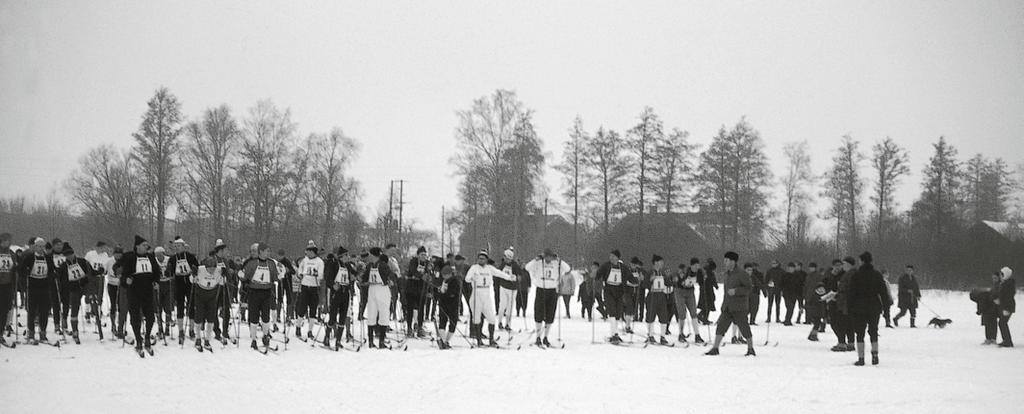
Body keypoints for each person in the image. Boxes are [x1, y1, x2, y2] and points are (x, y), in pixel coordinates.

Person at [705, 251, 755, 357]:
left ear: (733, 261)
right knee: (721, 327)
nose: (724, 262)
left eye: (726, 260)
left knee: (744, 328)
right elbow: (726, 292)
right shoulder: (727, 274)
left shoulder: (742, 274)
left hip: (739, 307)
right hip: (727, 306)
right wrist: (723, 305)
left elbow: (749, 288)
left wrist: (736, 291)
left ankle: (751, 348)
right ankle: (715, 348)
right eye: (724, 260)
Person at [119, 235, 161, 356]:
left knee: (150, 316)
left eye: (146, 245)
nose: (146, 247)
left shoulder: (150, 257)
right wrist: (126, 280)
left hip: (148, 290)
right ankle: (138, 339)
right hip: (134, 291)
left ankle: (147, 337)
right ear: (137, 246)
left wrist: (156, 282)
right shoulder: (131, 257)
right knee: (135, 316)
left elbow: (156, 272)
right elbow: (124, 274)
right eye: (144, 245)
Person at [466, 250, 517, 347]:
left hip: (486, 294)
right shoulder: (474, 268)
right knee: (476, 318)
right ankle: (478, 340)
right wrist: (473, 278)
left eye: (483, 258)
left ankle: (491, 339)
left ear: (486, 260)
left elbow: (499, 273)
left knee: (492, 318)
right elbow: (467, 279)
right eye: (479, 258)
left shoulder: (489, 268)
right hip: (477, 294)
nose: (481, 260)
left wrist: (510, 277)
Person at [847, 252, 890, 366]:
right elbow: (884, 293)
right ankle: (875, 354)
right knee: (873, 331)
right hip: (874, 307)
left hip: (859, 307)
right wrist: (885, 309)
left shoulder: (856, 275)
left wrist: (849, 307)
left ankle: (861, 358)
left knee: (860, 333)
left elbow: (851, 293)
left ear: (861, 261)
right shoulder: (877, 275)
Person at [240, 243, 280, 351]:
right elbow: (244, 275)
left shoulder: (271, 263)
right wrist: (243, 277)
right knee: (254, 316)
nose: (268, 253)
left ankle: (266, 336)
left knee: (266, 316)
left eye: (269, 251)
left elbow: (275, 276)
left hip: (267, 292)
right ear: (261, 252)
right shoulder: (252, 263)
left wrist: (279, 276)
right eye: (267, 251)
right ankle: (253, 339)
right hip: (254, 292)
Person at [18, 237, 56, 345]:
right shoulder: (30, 257)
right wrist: (25, 271)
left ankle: (43, 333)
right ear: (35, 247)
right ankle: (31, 333)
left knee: (44, 311)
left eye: (42, 246)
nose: (41, 248)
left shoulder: (48, 258)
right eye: (39, 246)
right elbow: (21, 270)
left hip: (44, 286)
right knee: (32, 310)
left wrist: (53, 275)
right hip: (33, 286)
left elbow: (52, 270)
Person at [56, 244, 95, 344]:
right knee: (74, 310)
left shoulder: (82, 261)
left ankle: (92, 316)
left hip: (85, 287)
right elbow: (62, 280)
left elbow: (91, 272)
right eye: (67, 255)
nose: (70, 256)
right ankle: (75, 331)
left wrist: (98, 272)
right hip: (73, 290)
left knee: (92, 300)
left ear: (74, 253)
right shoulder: (64, 266)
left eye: (71, 254)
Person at [596, 249, 637, 344]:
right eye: (610, 256)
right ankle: (614, 334)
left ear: (618, 258)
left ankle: (615, 334)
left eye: (613, 256)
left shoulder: (623, 267)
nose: (611, 258)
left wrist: (636, 281)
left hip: (619, 291)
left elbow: (630, 277)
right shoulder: (606, 265)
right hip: (609, 290)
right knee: (612, 311)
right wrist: (595, 275)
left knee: (618, 312)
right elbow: (598, 275)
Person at [360, 247, 397, 349]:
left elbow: (391, 276)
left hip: (382, 289)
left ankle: (381, 341)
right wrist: (362, 281)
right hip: (372, 289)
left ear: (373, 255)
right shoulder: (370, 266)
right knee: (371, 314)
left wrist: (390, 281)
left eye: (370, 255)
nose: (369, 257)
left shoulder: (383, 265)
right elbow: (364, 278)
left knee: (384, 314)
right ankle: (371, 341)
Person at [169, 237, 199, 344]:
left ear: (183, 246)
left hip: (189, 283)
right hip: (179, 284)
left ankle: (191, 329)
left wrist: (195, 271)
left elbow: (197, 268)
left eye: (178, 246)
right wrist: (169, 271)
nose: (177, 248)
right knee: (180, 306)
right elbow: (170, 272)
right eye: (175, 247)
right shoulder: (172, 258)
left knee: (191, 306)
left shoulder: (190, 257)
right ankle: (181, 330)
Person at [324, 247, 356, 348]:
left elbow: (353, 275)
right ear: (342, 256)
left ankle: (338, 340)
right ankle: (327, 337)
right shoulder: (334, 264)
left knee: (343, 317)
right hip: (336, 293)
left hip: (345, 292)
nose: (348, 257)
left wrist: (355, 276)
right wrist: (332, 285)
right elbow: (328, 277)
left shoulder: (347, 266)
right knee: (332, 317)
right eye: (346, 255)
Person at [191, 257, 223, 351]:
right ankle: (198, 338)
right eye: (210, 268)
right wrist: (193, 275)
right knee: (199, 316)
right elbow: (191, 280)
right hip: (200, 295)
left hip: (212, 296)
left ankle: (207, 339)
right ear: (206, 267)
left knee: (211, 318)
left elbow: (222, 283)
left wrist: (224, 275)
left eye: (213, 268)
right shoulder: (200, 269)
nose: (212, 270)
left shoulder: (218, 271)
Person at [671, 258, 704, 344]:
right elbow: (677, 281)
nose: (697, 267)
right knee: (682, 313)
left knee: (694, 313)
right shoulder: (685, 271)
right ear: (692, 265)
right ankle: (681, 334)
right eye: (695, 265)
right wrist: (680, 281)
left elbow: (701, 282)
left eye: (698, 265)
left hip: (690, 292)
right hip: (680, 292)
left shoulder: (699, 272)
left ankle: (697, 335)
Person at [296, 241, 324, 340]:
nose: (306, 252)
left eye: (308, 251)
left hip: (314, 287)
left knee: (313, 309)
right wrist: (300, 274)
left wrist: (316, 274)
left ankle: (310, 331)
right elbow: (300, 269)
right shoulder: (305, 260)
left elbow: (321, 275)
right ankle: (298, 327)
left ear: (312, 252)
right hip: (304, 286)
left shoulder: (319, 261)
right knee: (302, 309)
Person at [433, 258, 462, 349]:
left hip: (453, 305)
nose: (444, 276)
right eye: (443, 275)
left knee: (453, 324)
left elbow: (452, 294)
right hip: (443, 305)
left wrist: (441, 295)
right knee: (442, 322)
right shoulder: (443, 281)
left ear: (450, 274)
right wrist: (437, 295)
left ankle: (446, 341)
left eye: (446, 275)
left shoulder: (455, 281)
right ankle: (443, 340)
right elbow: (441, 291)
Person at [643, 255, 672, 345]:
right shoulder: (649, 272)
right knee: (650, 316)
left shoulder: (662, 273)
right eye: (660, 262)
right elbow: (644, 284)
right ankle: (650, 335)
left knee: (664, 316)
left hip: (661, 296)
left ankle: (662, 337)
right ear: (655, 262)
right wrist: (651, 280)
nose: (662, 264)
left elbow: (668, 283)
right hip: (652, 296)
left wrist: (671, 280)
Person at [404, 246, 431, 337]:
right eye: (422, 254)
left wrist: (428, 277)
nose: (424, 256)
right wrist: (420, 276)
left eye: (425, 254)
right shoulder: (414, 261)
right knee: (410, 309)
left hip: (422, 289)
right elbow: (413, 270)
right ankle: (409, 328)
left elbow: (429, 274)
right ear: (418, 255)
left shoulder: (427, 263)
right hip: (411, 288)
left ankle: (419, 327)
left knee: (421, 310)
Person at [495, 248, 524, 331]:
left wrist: (517, 278)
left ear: (509, 257)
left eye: (506, 257)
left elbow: (520, 276)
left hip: (512, 289)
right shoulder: (503, 264)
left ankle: (507, 324)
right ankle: (500, 322)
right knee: (502, 305)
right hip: (503, 287)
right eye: (504, 257)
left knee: (510, 307)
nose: (505, 259)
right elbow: (498, 273)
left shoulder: (515, 265)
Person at [970, 272, 1001, 345]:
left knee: (991, 323)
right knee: (989, 323)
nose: (994, 279)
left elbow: (996, 295)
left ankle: (991, 339)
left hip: (993, 307)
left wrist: (980, 311)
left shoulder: (1000, 285)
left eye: (995, 278)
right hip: (989, 307)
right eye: (993, 278)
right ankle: (990, 338)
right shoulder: (994, 286)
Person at [0, 233, 17, 345]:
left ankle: (0, 333)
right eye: (6, 240)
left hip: (7, 285)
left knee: (5, 310)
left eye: (9, 240)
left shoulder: (11, 253)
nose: (8, 242)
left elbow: (14, 267)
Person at [803, 262, 827, 341]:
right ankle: (813, 333)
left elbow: (821, 287)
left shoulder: (819, 276)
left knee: (817, 316)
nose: (810, 269)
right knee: (815, 317)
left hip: (817, 299)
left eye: (812, 267)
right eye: (810, 267)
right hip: (809, 298)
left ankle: (814, 333)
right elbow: (806, 286)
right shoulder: (808, 276)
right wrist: (805, 296)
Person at [995, 267, 1015, 347]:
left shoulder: (1008, 284)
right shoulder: (1005, 283)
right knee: (1002, 323)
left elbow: (1008, 297)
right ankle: (1006, 340)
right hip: (1005, 306)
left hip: (1008, 306)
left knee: (1002, 323)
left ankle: (1007, 341)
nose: (1001, 276)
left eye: (1002, 274)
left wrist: (1006, 308)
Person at [696, 258, 718, 325]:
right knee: (706, 305)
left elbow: (712, 279)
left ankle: (704, 318)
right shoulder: (704, 271)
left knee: (708, 304)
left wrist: (715, 285)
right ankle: (700, 316)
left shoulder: (709, 270)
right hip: (705, 290)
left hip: (709, 289)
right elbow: (700, 280)